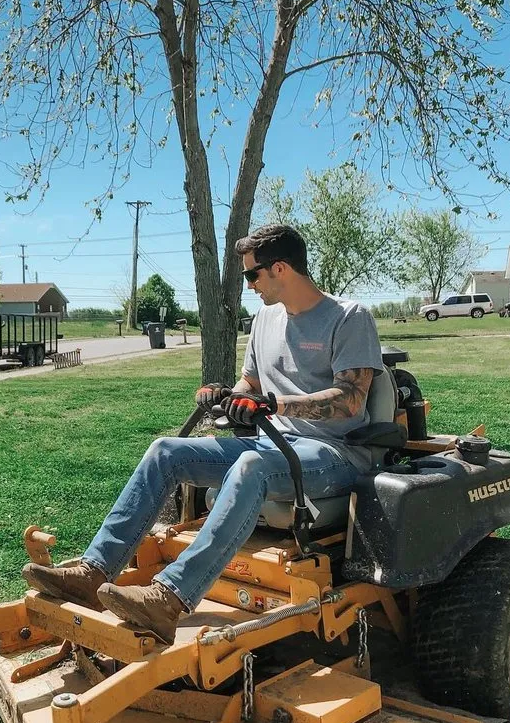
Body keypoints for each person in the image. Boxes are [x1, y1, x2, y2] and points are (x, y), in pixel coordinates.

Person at [23, 224, 383, 644]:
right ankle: (94, 571)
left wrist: (275, 405)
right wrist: (228, 393)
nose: (249, 286)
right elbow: (250, 381)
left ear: (280, 268)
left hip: (332, 453)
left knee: (252, 465)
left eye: (252, 276)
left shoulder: (348, 316)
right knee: (165, 451)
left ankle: (168, 598)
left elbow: (351, 398)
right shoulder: (265, 319)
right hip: (273, 444)